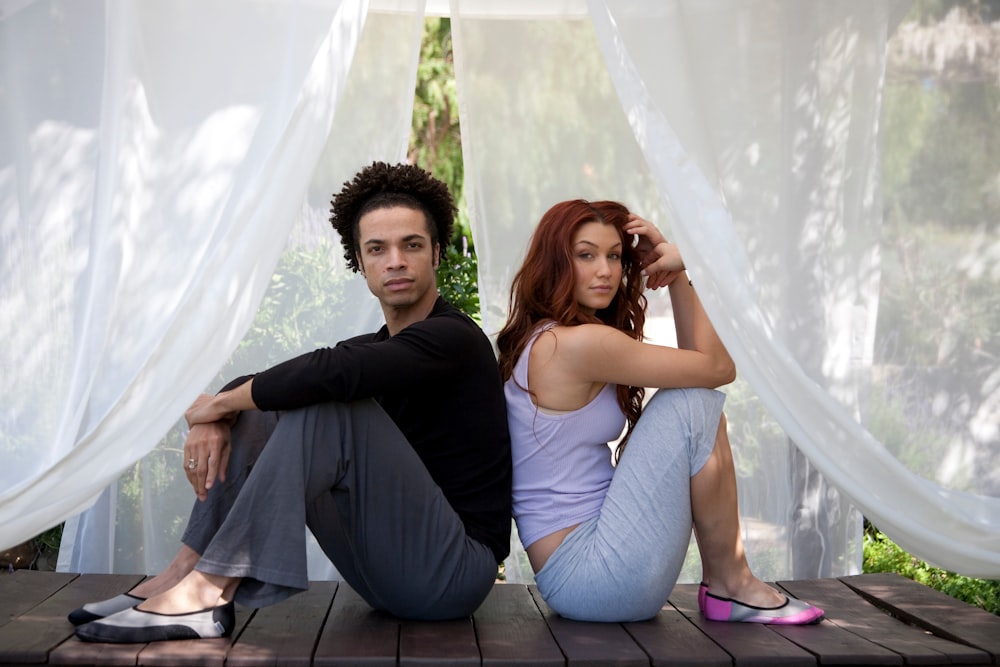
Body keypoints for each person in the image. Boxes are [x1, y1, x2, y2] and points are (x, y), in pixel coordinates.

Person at [69, 162, 512, 643]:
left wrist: (217, 405)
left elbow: (333, 373)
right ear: (359, 263)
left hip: (455, 574)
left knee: (327, 404)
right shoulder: (381, 348)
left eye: (412, 245)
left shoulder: (454, 340)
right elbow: (295, 382)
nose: (396, 261)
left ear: (437, 253)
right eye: (377, 249)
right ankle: (183, 572)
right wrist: (219, 413)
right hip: (384, 576)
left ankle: (209, 590)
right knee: (283, 401)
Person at [496, 199, 824, 624]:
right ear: (555, 262)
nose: (606, 270)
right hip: (593, 578)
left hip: (591, 569)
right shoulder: (573, 345)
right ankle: (732, 583)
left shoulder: (551, 337)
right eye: (586, 255)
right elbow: (717, 368)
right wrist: (687, 266)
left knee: (695, 400)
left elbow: (703, 368)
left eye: (614, 255)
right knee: (691, 403)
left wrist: (677, 277)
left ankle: (730, 585)